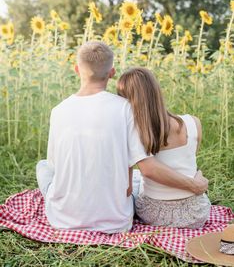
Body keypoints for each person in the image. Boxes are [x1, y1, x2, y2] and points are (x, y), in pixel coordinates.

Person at [36, 42, 208, 233]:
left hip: (62, 219)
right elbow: (139, 173)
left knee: (43, 166)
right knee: (133, 177)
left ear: (77, 70)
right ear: (111, 72)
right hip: (116, 221)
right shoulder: (125, 108)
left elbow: (56, 164)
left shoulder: (58, 111)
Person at [117, 67, 211, 228]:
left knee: (136, 180)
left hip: (155, 214)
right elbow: (188, 164)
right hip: (196, 213)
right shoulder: (193, 122)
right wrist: (195, 183)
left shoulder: (135, 133)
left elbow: (128, 187)